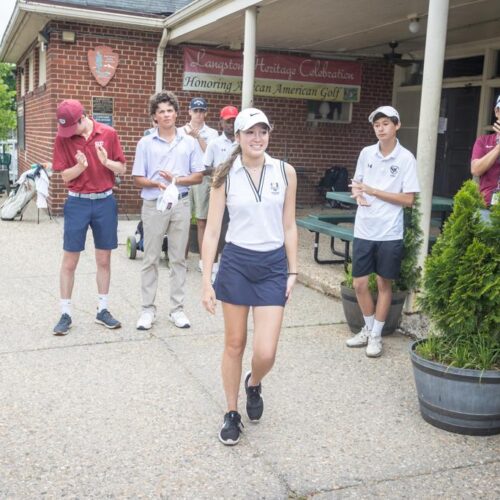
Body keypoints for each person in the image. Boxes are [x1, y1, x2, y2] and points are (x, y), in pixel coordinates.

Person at [201, 108, 298, 445]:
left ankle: (253, 382)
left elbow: (289, 225)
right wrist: (206, 281)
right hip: (237, 263)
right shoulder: (224, 175)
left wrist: (293, 269)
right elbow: (212, 231)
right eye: (250, 132)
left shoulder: (285, 172)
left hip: (272, 266)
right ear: (237, 136)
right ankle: (231, 412)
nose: (257, 138)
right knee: (235, 343)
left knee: (266, 352)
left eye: (263, 132)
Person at [345, 105, 420, 358]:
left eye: (386, 124)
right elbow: (357, 185)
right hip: (365, 228)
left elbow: (409, 199)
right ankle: (368, 329)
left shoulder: (406, 158)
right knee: (359, 284)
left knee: (383, 283)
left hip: (389, 232)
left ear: (396, 126)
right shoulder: (366, 153)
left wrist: (373, 191)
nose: (380, 129)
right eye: (377, 125)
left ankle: (376, 335)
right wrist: (358, 195)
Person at [52, 99, 126, 335]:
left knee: (104, 260)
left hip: (104, 201)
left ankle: (102, 309)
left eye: (70, 126)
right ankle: (65, 313)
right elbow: (65, 176)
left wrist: (106, 162)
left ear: (82, 118)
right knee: (70, 260)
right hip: (77, 202)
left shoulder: (109, 133)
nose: (66, 132)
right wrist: (80, 168)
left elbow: (122, 168)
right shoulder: (62, 139)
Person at [132, 90, 204, 331]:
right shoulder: (145, 143)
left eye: (170, 110)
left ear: (176, 113)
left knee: (178, 258)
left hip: (181, 203)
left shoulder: (190, 143)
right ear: (154, 116)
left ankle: (177, 310)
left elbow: (198, 176)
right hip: (154, 204)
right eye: (161, 111)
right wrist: (156, 183)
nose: (166, 115)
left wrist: (177, 179)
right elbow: (138, 178)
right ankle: (147, 310)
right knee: (150, 258)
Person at [179, 97, 219, 272]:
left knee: (202, 220)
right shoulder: (180, 131)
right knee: (183, 221)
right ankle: (182, 260)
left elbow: (210, 157)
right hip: (185, 178)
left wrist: (198, 137)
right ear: (189, 112)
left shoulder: (212, 133)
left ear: (206, 113)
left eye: (202, 111)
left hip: (203, 178)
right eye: (195, 110)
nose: (199, 114)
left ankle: (204, 261)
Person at [203, 105, 239, 281]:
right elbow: (204, 168)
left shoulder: (242, 143)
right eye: (228, 121)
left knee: (235, 229)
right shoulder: (214, 144)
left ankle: (230, 266)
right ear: (221, 124)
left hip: (239, 193)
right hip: (219, 192)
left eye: (234, 121)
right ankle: (213, 267)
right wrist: (219, 170)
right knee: (217, 230)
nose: (231, 125)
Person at [470, 95, 500, 206]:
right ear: (497, 112)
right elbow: (476, 170)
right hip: (487, 204)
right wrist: (498, 148)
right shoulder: (483, 141)